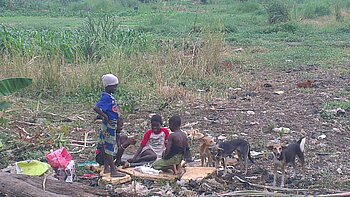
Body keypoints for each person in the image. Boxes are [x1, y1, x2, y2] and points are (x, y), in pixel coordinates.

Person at [93, 74, 124, 177]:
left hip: (110, 124)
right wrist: (105, 117)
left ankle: (106, 168)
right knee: (109, 147)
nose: (115, 88)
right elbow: (96, 108)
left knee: (106, 146)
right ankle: (113, 171)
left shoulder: (109, 97)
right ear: (108, 86)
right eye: (114, 86)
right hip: (109, 125)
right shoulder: (106, 98)